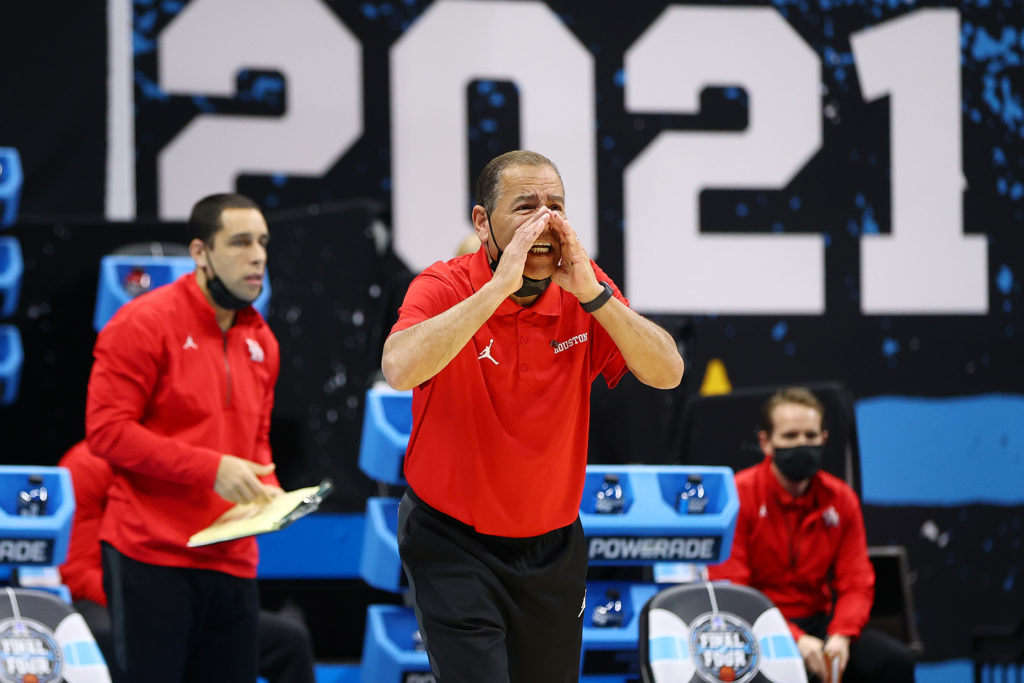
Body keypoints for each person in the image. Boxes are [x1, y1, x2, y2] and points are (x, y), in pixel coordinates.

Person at [382, 150, 685, 682]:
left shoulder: (583, 292)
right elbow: (400, 369)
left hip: (552, 546)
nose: (544, 221)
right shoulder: (443, 285)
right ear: (482, 223)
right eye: (525, 207)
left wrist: (595, 296)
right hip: (452, 540)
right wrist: (497, 289)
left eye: (556, 206)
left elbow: (668, 371)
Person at [85, 193, 281, 683]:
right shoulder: (142, 322)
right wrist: (212, 469)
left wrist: (269, 486)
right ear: (200, 252)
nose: (256, 254)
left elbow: (256, 436)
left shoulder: (263, 339)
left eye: (261, 242)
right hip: (151, 555)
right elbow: (106, 432)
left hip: (233, 557)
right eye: (239, 242)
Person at [57, 441, 317, 683]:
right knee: (139, 636)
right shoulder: (87, 464)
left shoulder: (194, 463)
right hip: (113, 597)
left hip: (188, 592)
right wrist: (157, 605)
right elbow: (77, 571)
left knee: (289, 640)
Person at [707, 387, 916, 683]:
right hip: (755, 627)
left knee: (893, 662)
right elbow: (732, 590)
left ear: (824, 439)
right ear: (766, 443)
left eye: (810, 436)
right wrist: (792, 640)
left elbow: (857, 581)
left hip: (819, 624)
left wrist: (842, 635)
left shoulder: (841, 499)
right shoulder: (739, 496)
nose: (802, 444)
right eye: (790, 437)